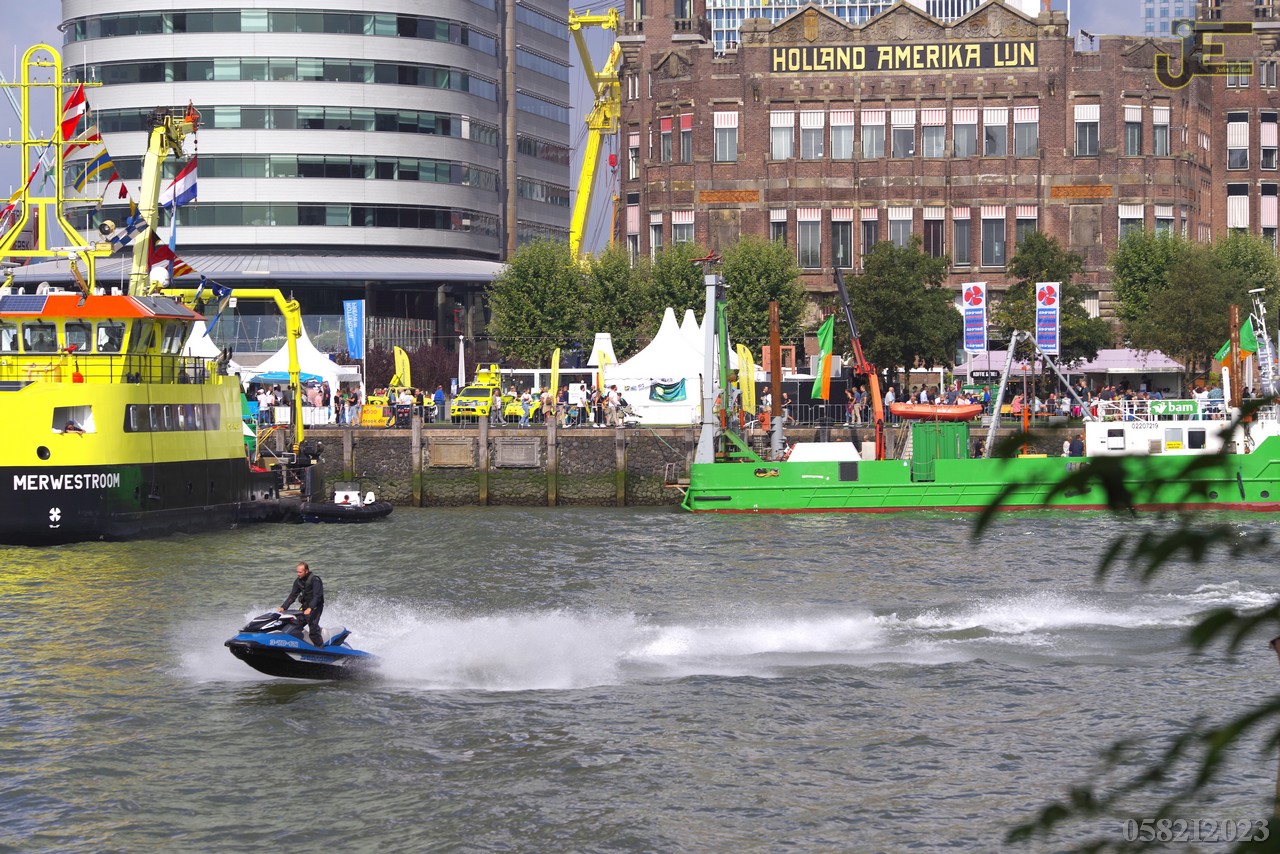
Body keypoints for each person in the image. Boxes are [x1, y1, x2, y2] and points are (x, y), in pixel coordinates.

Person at [276, 562, 324, 647]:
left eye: (300, 572)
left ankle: (320, 647)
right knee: (295, 623)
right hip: (305, 607)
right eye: (297, 572)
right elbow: (292, 595)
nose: (298, 574)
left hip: (316, 607)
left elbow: (317, 596)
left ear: (306, 571)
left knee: (312, 626)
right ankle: (297, 644)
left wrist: (310, 608)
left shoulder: (315, 580)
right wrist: (283, 607)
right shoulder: (298, 581)